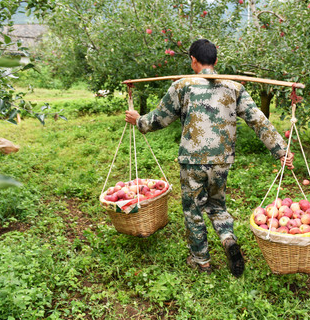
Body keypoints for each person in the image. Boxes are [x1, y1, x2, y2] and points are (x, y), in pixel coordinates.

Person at [125, 39, 294, 277]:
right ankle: (227, 238)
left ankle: (201, 260)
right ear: (215, 61)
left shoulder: (182, 85)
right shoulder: (234, 87)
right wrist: (280, 150)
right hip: (222, 160)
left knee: (193, 210)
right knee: (217, 205)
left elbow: (159, 119)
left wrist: (138, 120)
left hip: (192, 161)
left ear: (193, 60)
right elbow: (258, 120)